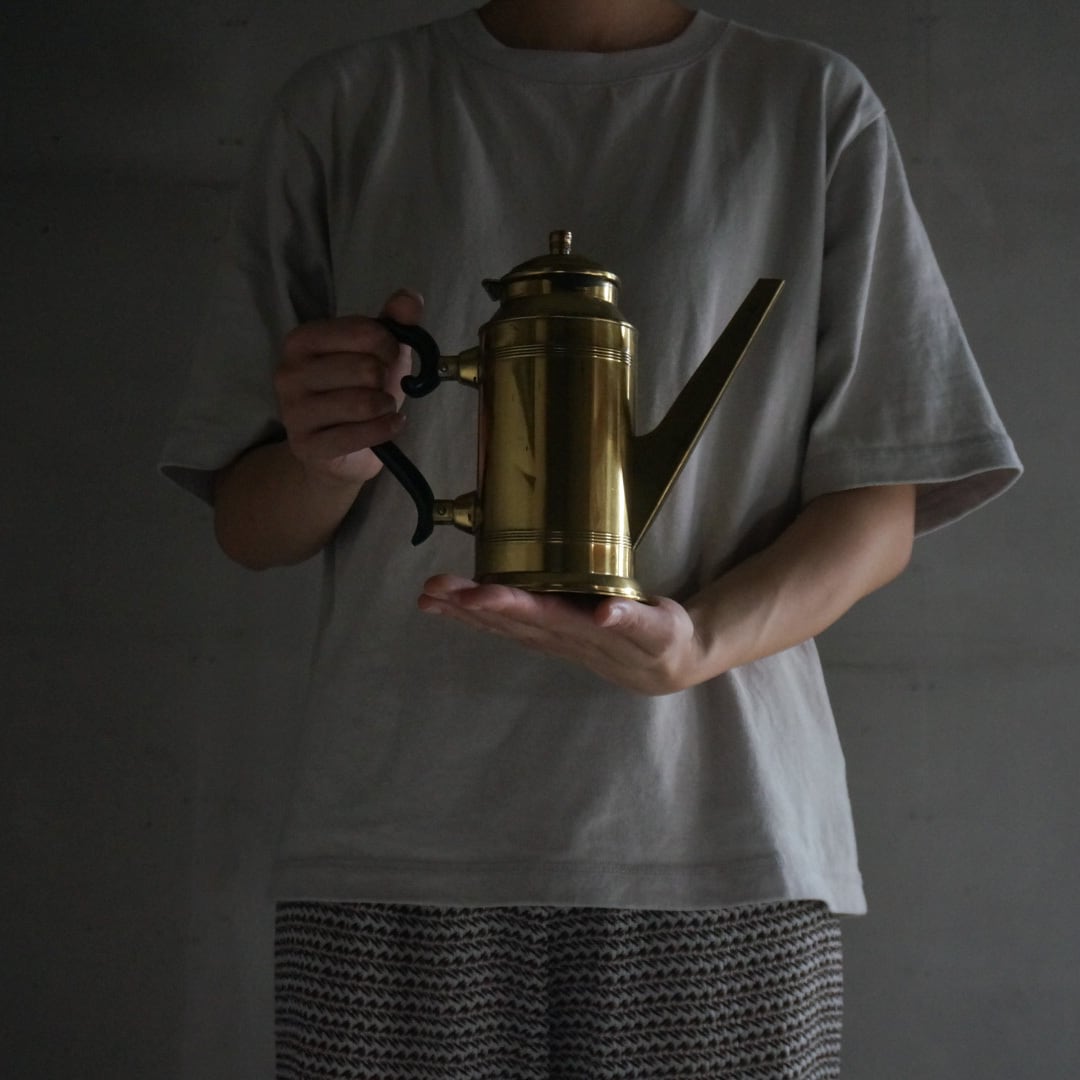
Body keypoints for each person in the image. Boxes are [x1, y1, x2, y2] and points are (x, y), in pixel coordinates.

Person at [161, 1, 1022, 1076]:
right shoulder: (348, 107)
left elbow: (879, 506)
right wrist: (329, 453)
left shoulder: (807, 105)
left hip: (718, 840)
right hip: (397, 843)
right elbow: (249, 526)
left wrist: (699, 644)